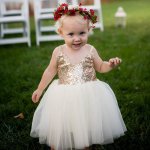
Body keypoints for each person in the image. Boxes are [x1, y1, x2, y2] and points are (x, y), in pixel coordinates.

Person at [30, 3, 127, 150]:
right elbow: (50, 71)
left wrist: (110, 65)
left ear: (89, 30)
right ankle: (58, 143)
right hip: (63, 94)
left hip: (88, 93)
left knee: (85, 122)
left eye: (82, 33)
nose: (77, 39)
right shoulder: (58, 51)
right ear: (60, 32)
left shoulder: (90, 50)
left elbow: (100, 67)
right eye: (71, 34)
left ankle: (84, 143)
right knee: (62, 123)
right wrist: (40, 88)